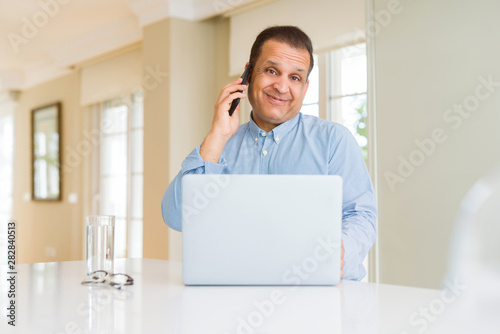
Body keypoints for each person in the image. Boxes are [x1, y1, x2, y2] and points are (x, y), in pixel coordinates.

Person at [161, 25, 376, 281]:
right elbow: (177, 217)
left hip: (318, 296)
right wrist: (217, 136)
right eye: (272, 71)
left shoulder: (334, 140)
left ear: (305, 87)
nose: (282, 87)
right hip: (233, 292)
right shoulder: (220, 146)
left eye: (295, 77)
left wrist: (341, 250)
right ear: (248, 73)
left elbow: (360, 215)